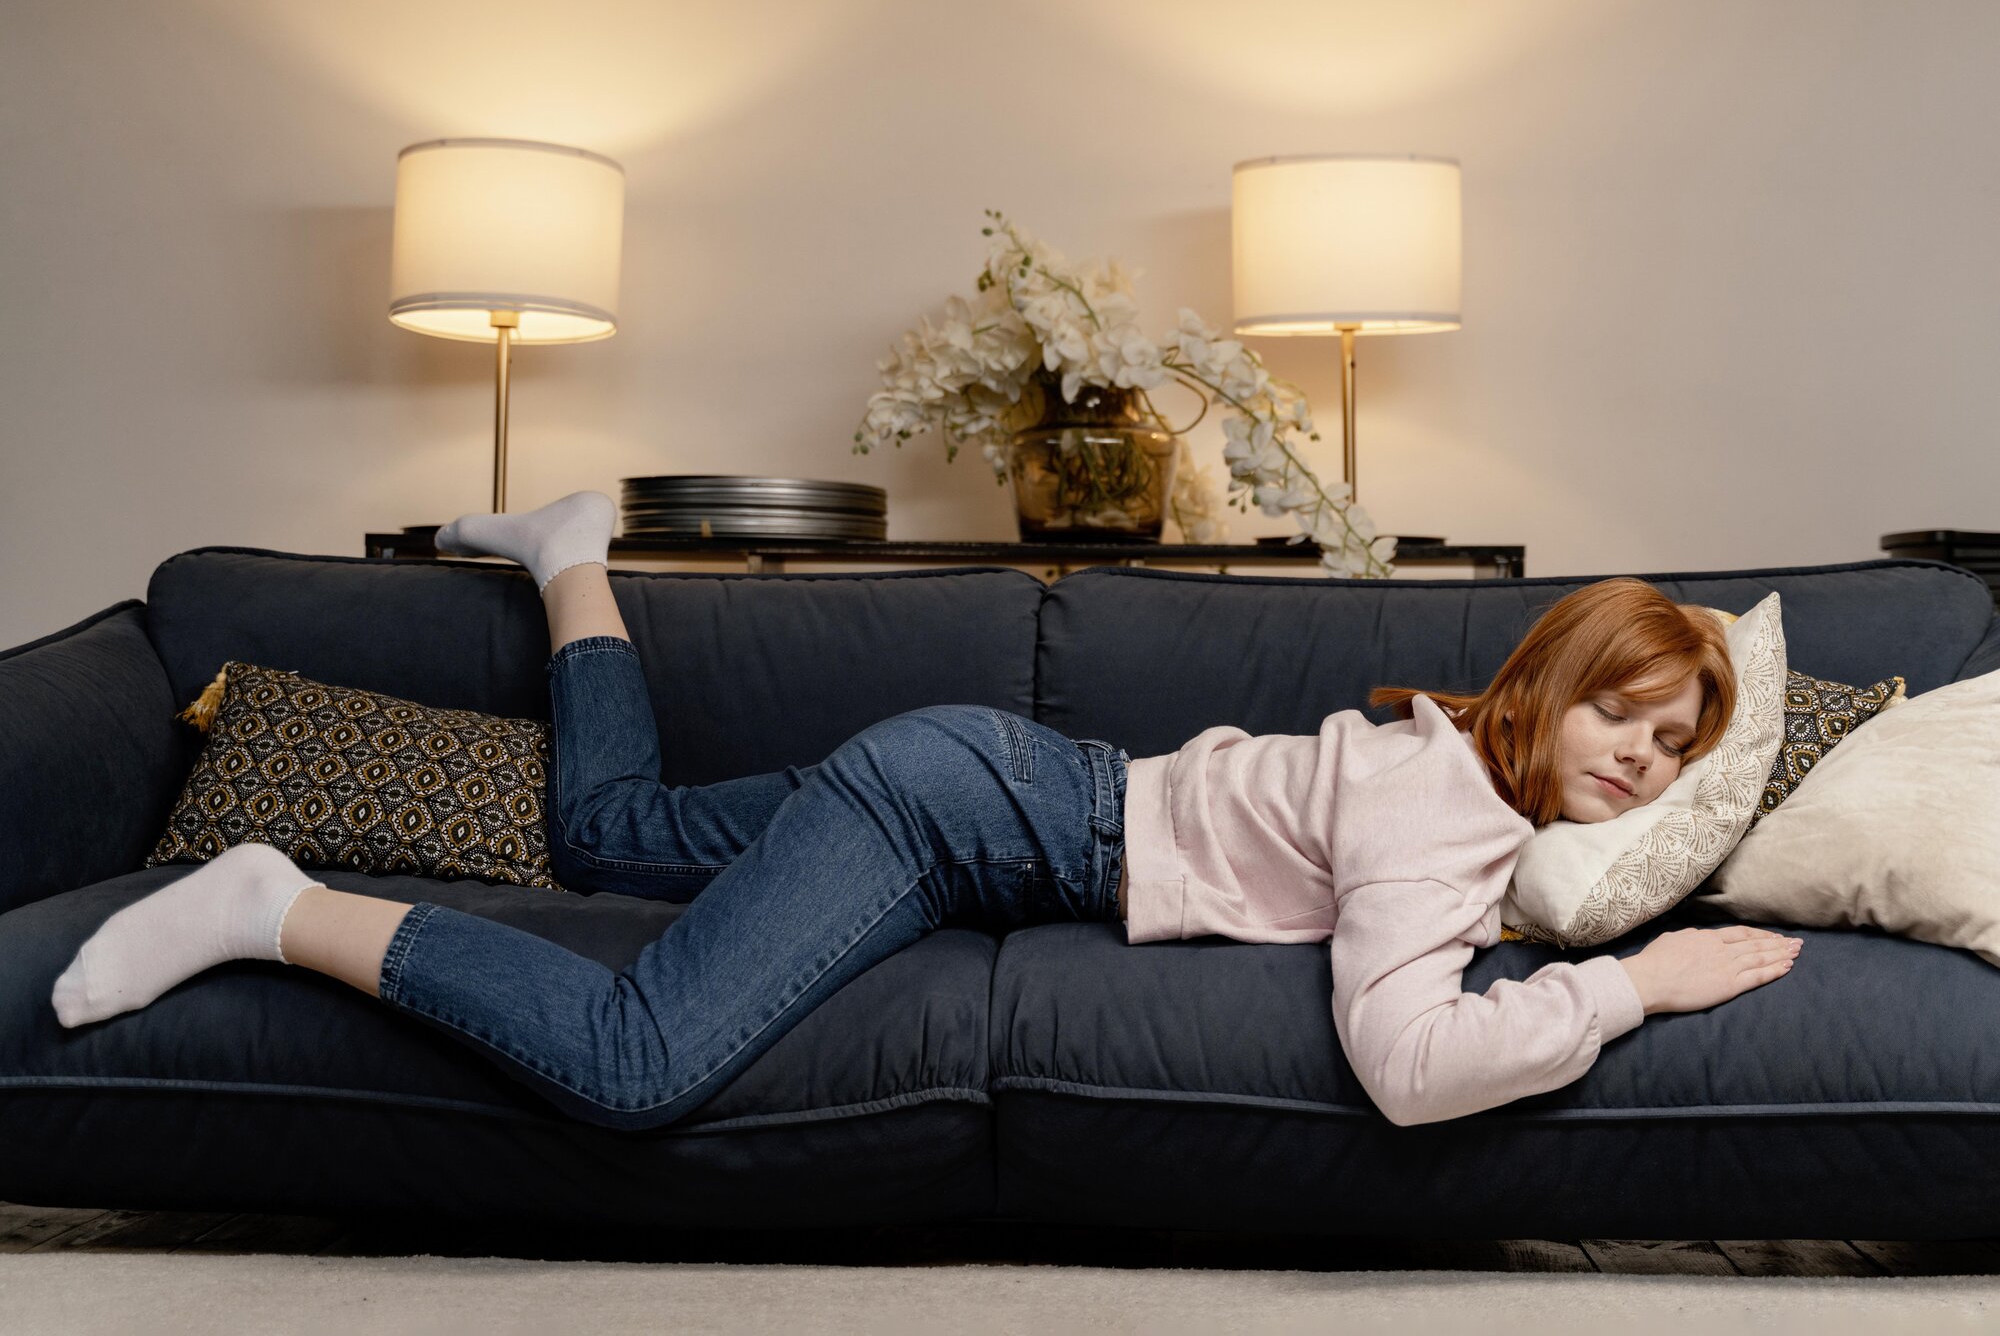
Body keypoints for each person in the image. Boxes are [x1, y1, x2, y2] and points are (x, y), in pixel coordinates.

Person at [47, 492, 1803, 1130]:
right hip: (959, 813)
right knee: (638, 1061)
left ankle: (573, 555)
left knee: (605, 841)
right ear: (1545, 680)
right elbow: (1412, 1065)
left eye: (1673, 752)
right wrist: (1631, 987)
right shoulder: (1452, 808)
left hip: (987, 787)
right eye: (1624, 719)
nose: (1644, 768)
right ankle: (269, 898)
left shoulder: (1454, 769)